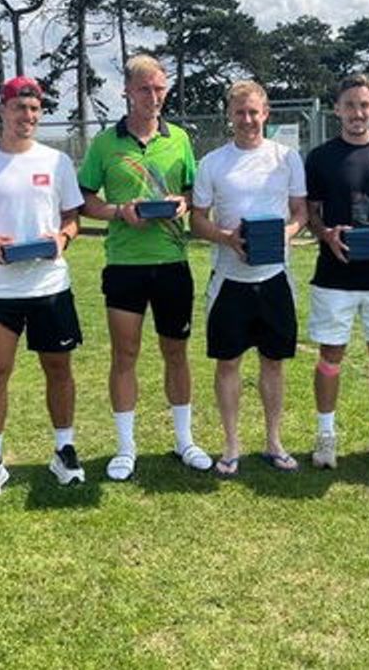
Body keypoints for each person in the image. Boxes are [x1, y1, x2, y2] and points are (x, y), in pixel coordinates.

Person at [0, 76, 87, 498]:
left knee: (59, 370)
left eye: (34, 110)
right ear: (2, 111)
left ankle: (64, 450)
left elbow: (73, 218)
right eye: (18, 109)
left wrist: (61, 241)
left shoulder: (56, 161)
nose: (26, 117)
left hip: (49, 285)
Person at [77, 54, 212, 481]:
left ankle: (184, 441)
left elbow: (193, 193)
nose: (153, 97)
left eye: (159, 89)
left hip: (172, 262)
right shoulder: (105, 143)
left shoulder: (180, 140)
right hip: (125, 266)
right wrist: (121, 212)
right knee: (125, 354)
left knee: (176, 353)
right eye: (144, 89)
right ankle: (125, 447)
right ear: (127, 92)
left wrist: (183, 204)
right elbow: (85, 201)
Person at [191, 80, 308, 476]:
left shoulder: (286, 158)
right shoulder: (212, 163)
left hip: (275, 276)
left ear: (266, 113)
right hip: (228, 279)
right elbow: (197, 219)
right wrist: (227, 238)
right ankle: (231, 444)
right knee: (228, 363)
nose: (248, 120)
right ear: (229, 115)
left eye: (254, 112)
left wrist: (282, 236)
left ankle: (274, 440)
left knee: (273, 362)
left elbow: (301, 214)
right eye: (240, 113)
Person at [303, 74, 369, 471]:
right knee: (331, 355)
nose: (357, 113)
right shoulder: (319, 157)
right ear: (337, 109)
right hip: (335, 275)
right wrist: (326, 234)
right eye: (349, 105)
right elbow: (311, 214)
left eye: (364, 105)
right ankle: (325, 435)